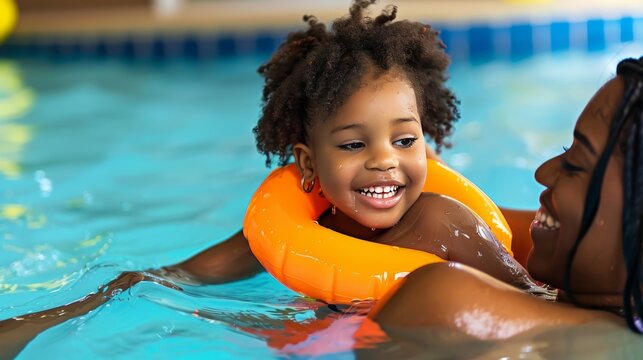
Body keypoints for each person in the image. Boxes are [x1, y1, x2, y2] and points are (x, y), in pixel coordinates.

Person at [0, 1, 541, 356]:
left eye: (405, 140)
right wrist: (57, 314)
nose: (384, 161)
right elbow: (169, 278)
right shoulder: (293, 236)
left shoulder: (444, 225)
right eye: (354, 145)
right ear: (308, 164)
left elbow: (532, 303)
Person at [370, 56, 643, 338]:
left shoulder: (444, 303)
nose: (543, 172)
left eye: (575, 164)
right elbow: (489, 224)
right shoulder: (595, 283)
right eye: (565, 149)